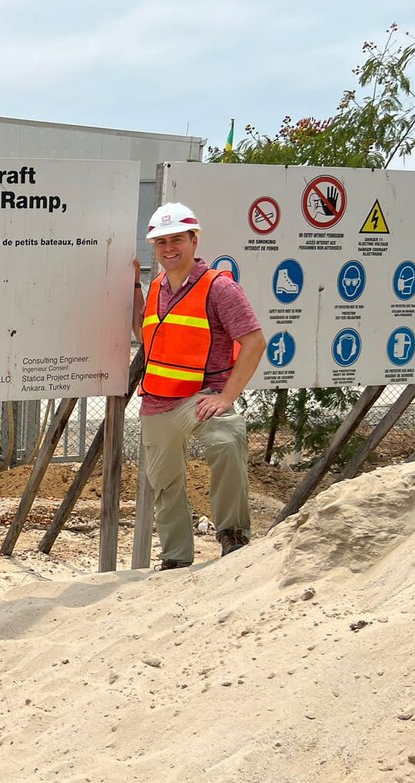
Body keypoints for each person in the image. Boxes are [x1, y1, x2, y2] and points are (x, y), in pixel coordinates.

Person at [132, 203, 265, 571]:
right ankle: (176, 559)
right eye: (160, 242)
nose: (168, 248)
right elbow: (148, 339)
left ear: (194, 240)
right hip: (157, 402)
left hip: (201, 397)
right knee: (165, 484)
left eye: (176, 239)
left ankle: (233, 535)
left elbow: (254, 342)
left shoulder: (219, 287)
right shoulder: (157, 286)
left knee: (227, 441)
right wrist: (133, 290)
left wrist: (227, 396)